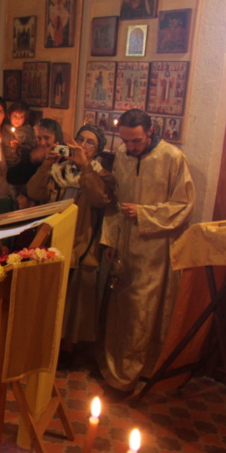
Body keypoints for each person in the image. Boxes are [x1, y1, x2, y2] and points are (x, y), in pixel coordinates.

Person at [99, 108, 195, 397]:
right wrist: (110, 240)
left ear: (151, 131)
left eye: (136, 141)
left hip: (154, 249)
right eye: (126, 141)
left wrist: (144, 213)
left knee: (144, 312)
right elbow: (116, 204)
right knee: (123, 311)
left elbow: (184, 206)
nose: (130, 147)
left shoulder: (172, 158)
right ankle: (115, 369)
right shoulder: (124, 158)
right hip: (125, 247)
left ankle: (137, 373)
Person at [26, 125, 115, 357]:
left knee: (72, 299)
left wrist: (85, 167)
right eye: (80, 139)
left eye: (90, 143)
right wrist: (46, 165)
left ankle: (66, 347)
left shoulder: (100, 175)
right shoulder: (58, 170)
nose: (83, 146)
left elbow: (99, 199)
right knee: (48, 295)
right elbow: (35, 193)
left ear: (97, 151)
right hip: (51, 237)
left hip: (81, 242)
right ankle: (43, 340)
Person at [7, 118, 63, 187]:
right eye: (38, 138)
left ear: (56, 138)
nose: (42, 143)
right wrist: (32, 160)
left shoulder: (63, 156)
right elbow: (11, 178)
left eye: (47, 138)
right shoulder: (32, 153)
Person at [3, 101, 36, 167]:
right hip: (4, 162)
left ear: (25, 118)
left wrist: (20, 146)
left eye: (21, 117)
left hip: (20, 164)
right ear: (9, 116)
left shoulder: (27, 131)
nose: (17, 119)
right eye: (15, 116)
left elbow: (32, 147)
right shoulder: (5, 128)